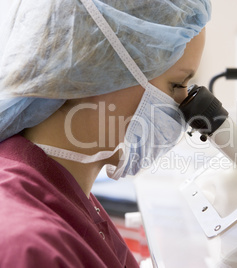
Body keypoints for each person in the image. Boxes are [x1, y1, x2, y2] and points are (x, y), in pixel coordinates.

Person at [0, 0, 211, 267]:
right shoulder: (30, 248)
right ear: (95, 71)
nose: (185, 107)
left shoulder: (65, 190)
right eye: (177, 84)